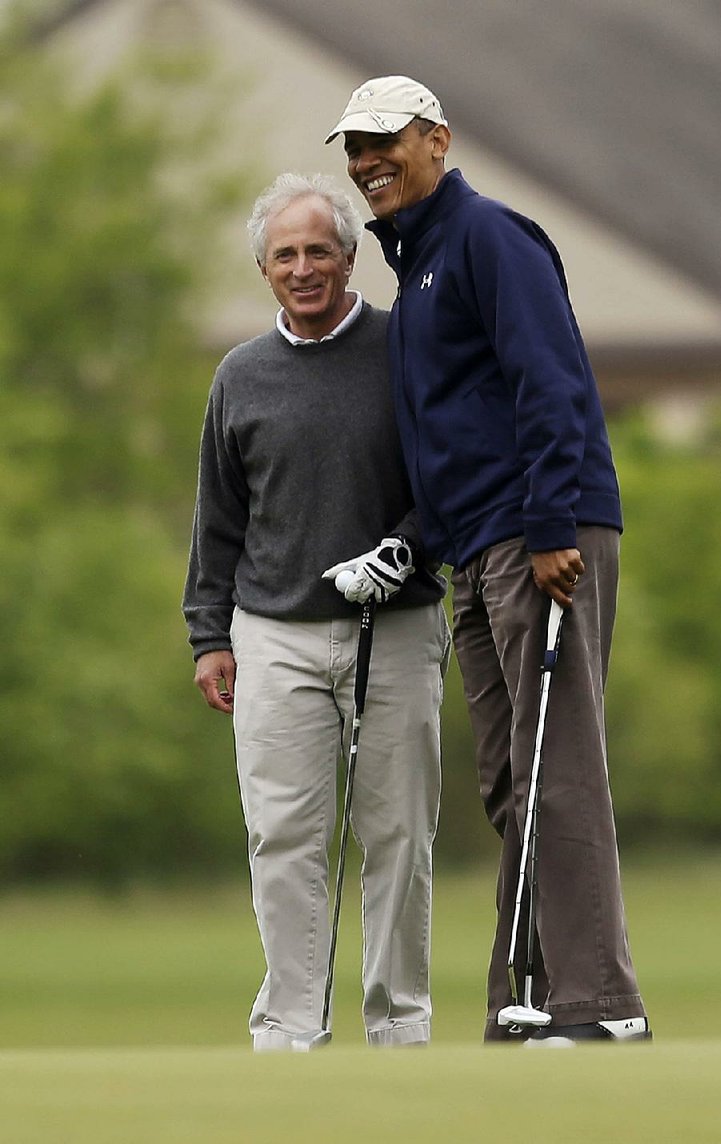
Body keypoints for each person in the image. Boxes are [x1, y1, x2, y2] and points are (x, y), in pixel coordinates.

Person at [325, 77, 650, 1045]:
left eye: (384, 140)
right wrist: (410, 542)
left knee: (560, 770)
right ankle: (530, 998)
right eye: (353, 146)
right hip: (478, 546)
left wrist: (551, 523)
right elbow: (459, 433)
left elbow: (549, 382)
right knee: (512, 778)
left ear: (436, 140)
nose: (365, 160)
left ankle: (600, 1005)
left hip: (540, 535)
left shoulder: (488, 237)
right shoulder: (418, 268)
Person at [182, 172, 449, 1050]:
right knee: (285, 836)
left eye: (318, 251)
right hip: (272, 634)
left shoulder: (404, 346)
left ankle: (398, 1024)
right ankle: (291, 1031)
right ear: (264, 268)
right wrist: (209, 634)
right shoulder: (241, 375)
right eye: (285, 255)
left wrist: (404, 548)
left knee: (398, 832)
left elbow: (449, 475)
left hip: (397, 626)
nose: (304, 268)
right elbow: (219, 518)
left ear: (348, 255)